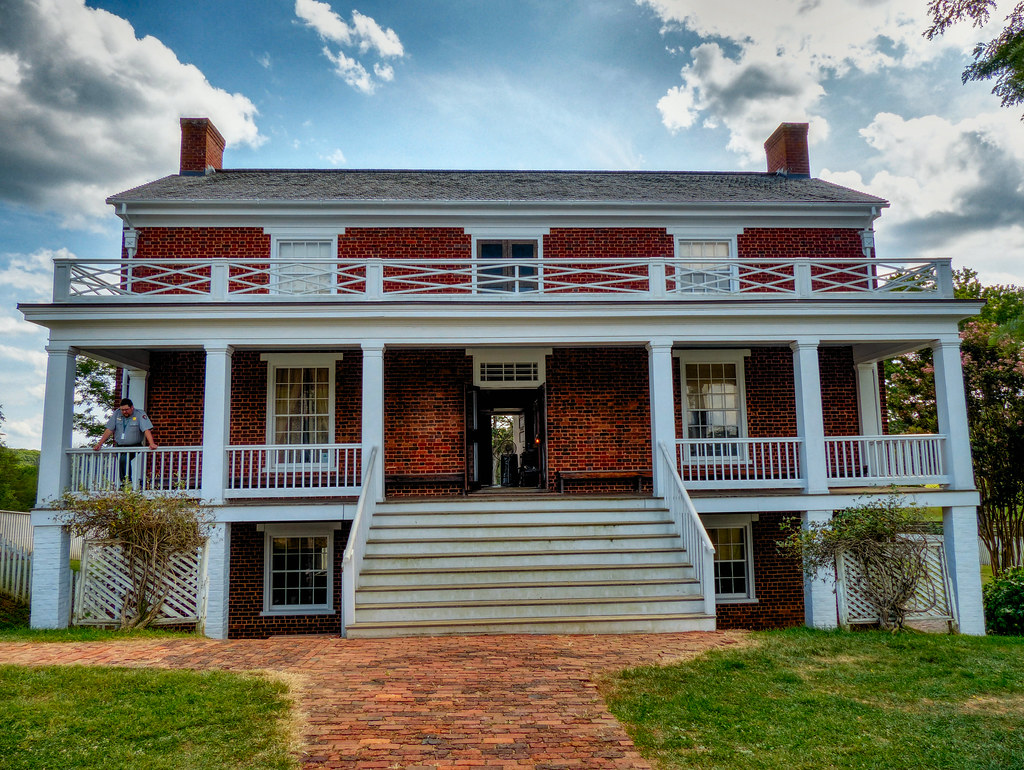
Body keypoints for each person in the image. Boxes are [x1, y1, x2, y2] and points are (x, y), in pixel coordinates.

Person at [93, 398, 157, 482]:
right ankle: (124, 484)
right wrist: (99, 444)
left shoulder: (139, 414)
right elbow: (109, 430)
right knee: (122, 462)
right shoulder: (117, 414)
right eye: (122, 410)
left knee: (124, 460)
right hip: (119, 446)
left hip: (134, 446)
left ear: (132, 407)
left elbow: (146, 430)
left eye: (126, 409)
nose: (124, 412)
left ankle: (126, 483)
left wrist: (151, 443)